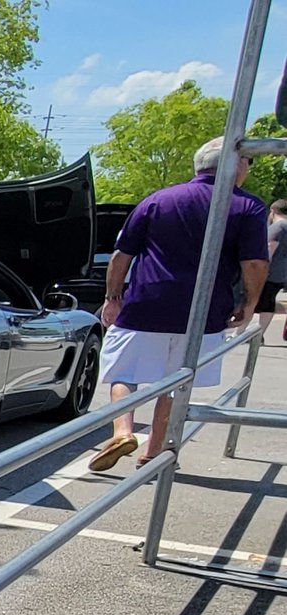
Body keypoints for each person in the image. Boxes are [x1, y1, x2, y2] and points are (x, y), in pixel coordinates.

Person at [91, 136, 269, 472]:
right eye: (248, 162)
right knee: (175, 382)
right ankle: (154, 452)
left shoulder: (159, 199)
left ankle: (123, 431)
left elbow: (121, 255)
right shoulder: (247, 207)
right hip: (205, 309)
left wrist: (112, 298)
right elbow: (255, 264)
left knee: (123, 370)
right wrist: (249, 302)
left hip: (147, 300)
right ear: (236, 166)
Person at [262, 199, 287, 341]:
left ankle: (241, 333)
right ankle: (259, 333)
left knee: (255, 302)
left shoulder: (278, 227)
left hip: (269, 272)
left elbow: (269, 249)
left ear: (273, 211)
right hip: (282, 274)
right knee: (269, 302)